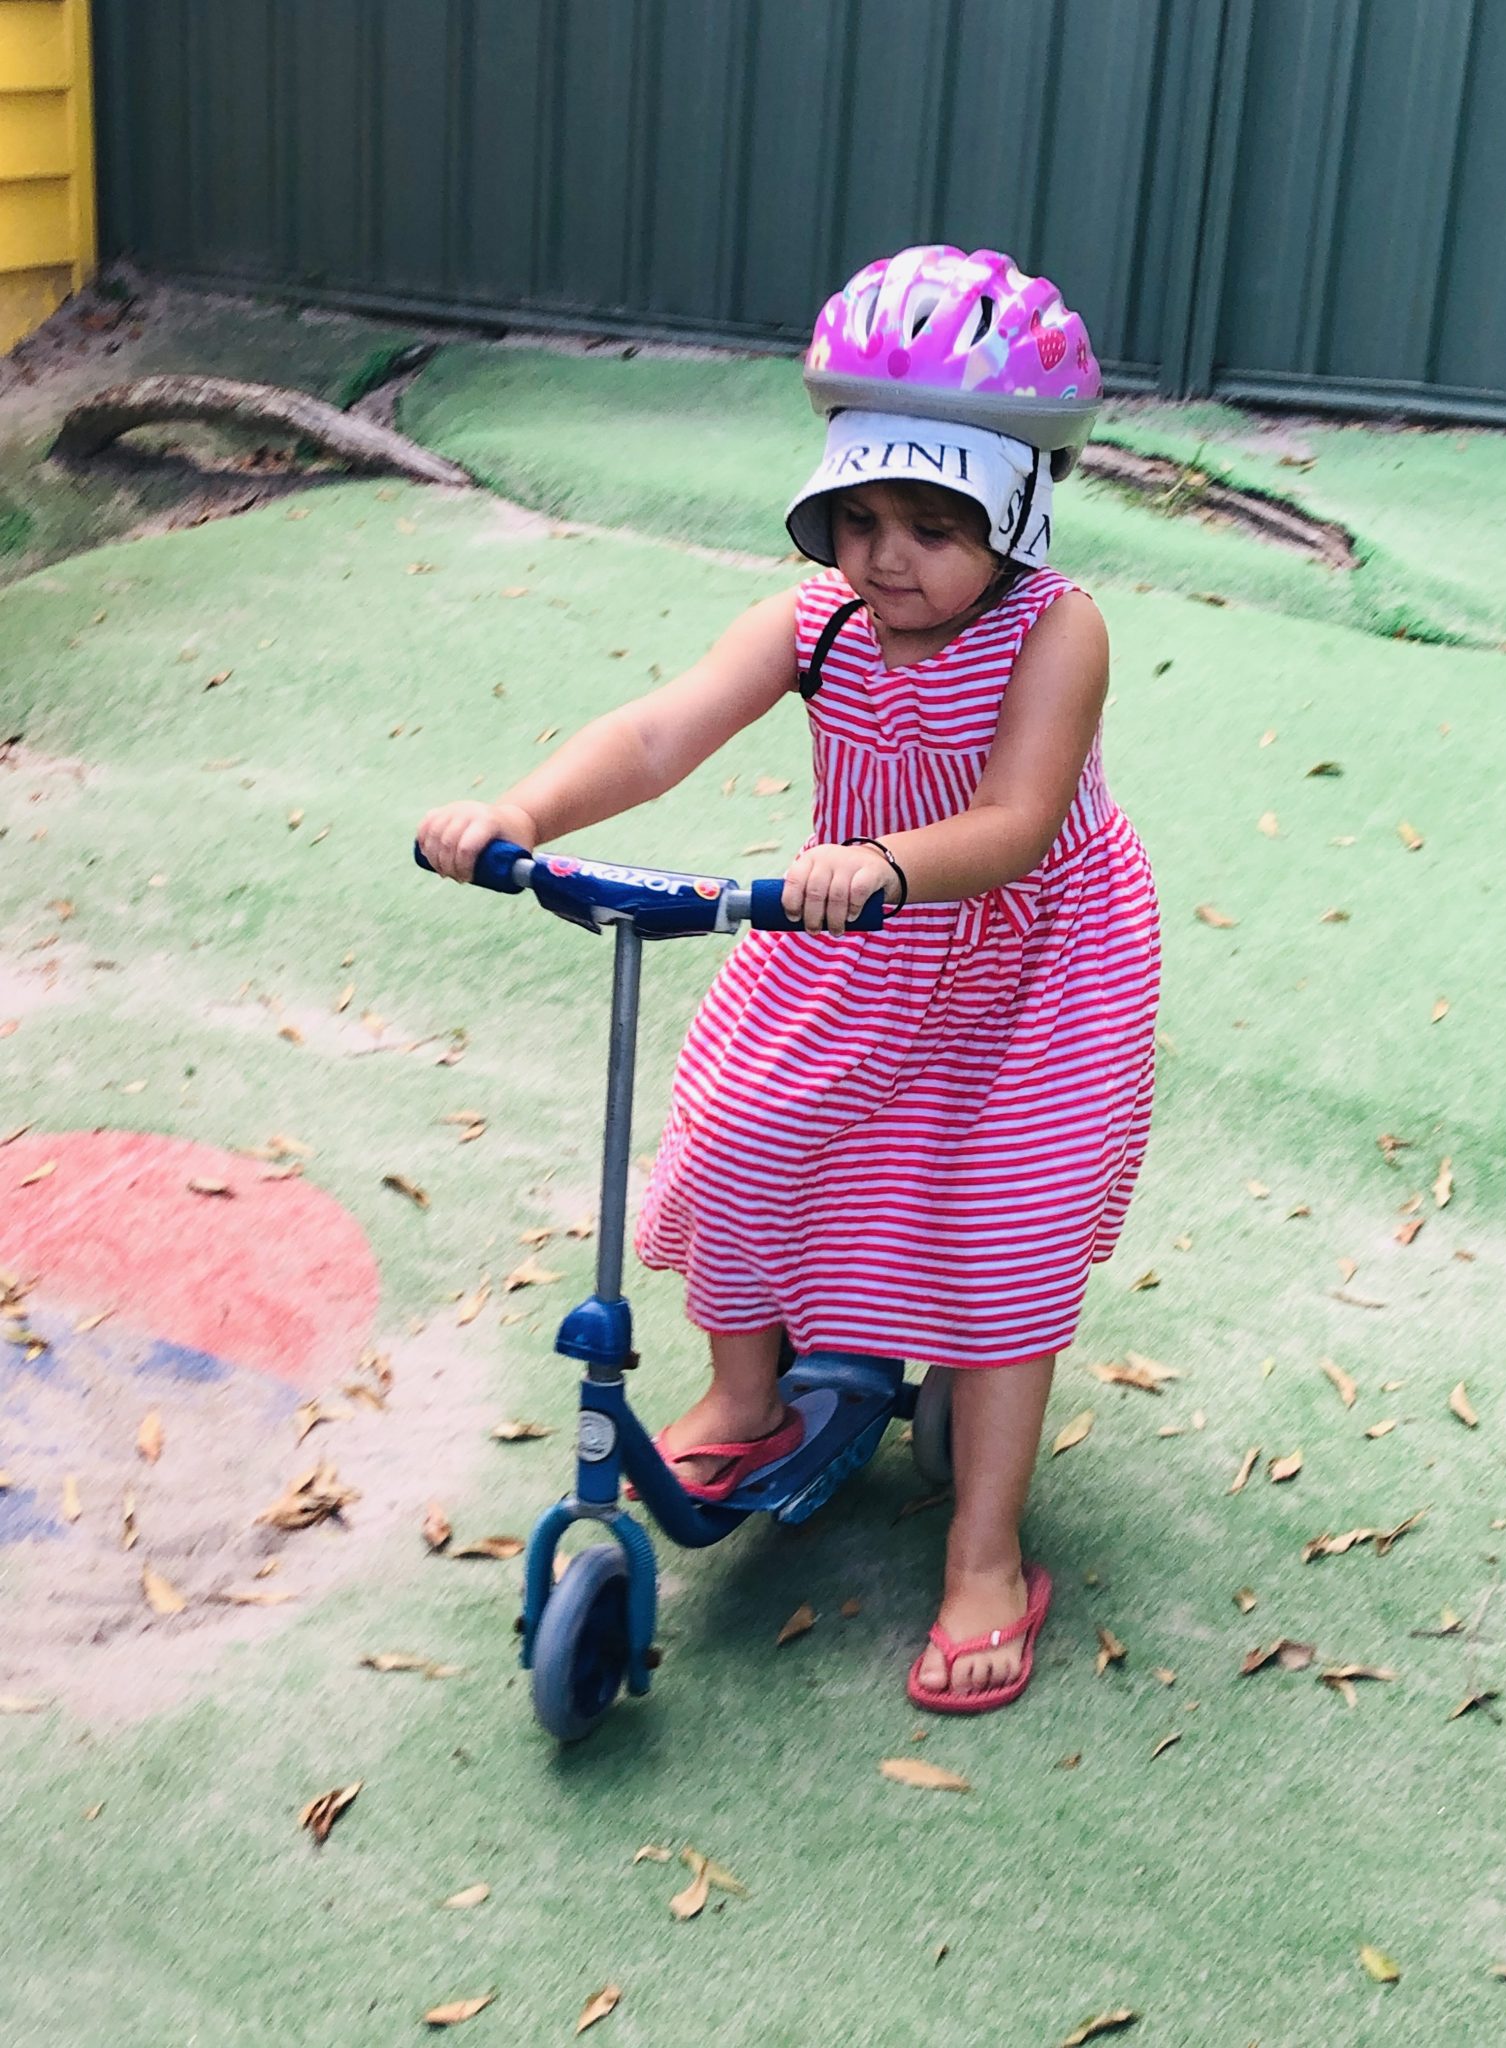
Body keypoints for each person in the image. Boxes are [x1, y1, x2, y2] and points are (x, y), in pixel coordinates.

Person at [417, 246, 1160, 1714]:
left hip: (1034, 957)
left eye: (935, 525)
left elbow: (1018, 823)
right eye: (858, 518)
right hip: (852, 935)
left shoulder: (1055, 628)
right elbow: (657, 733)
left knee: (1000, 1235)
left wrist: (882, 862)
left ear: (1020, 507)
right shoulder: (812, 624)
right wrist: (522, 812)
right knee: (741, 1134)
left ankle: (986, 1554)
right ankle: (752, 1395)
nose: (887, 557)